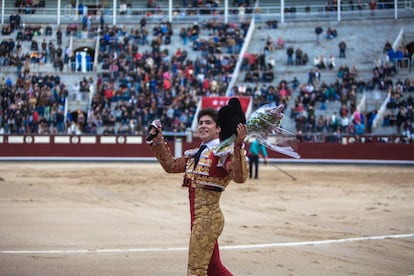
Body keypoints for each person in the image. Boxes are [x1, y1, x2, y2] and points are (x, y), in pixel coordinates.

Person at [149, 100, 248, 276]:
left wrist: (238, 146)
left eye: (208, 122)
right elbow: (171, 166)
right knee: (213, 268)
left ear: (218, 129)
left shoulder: (223, 153)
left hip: (208, 220)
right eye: (200, 122)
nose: (202, 126)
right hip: (198, 220)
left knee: (196, 270)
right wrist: (158, 141)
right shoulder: (196, 153)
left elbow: (240, 177)